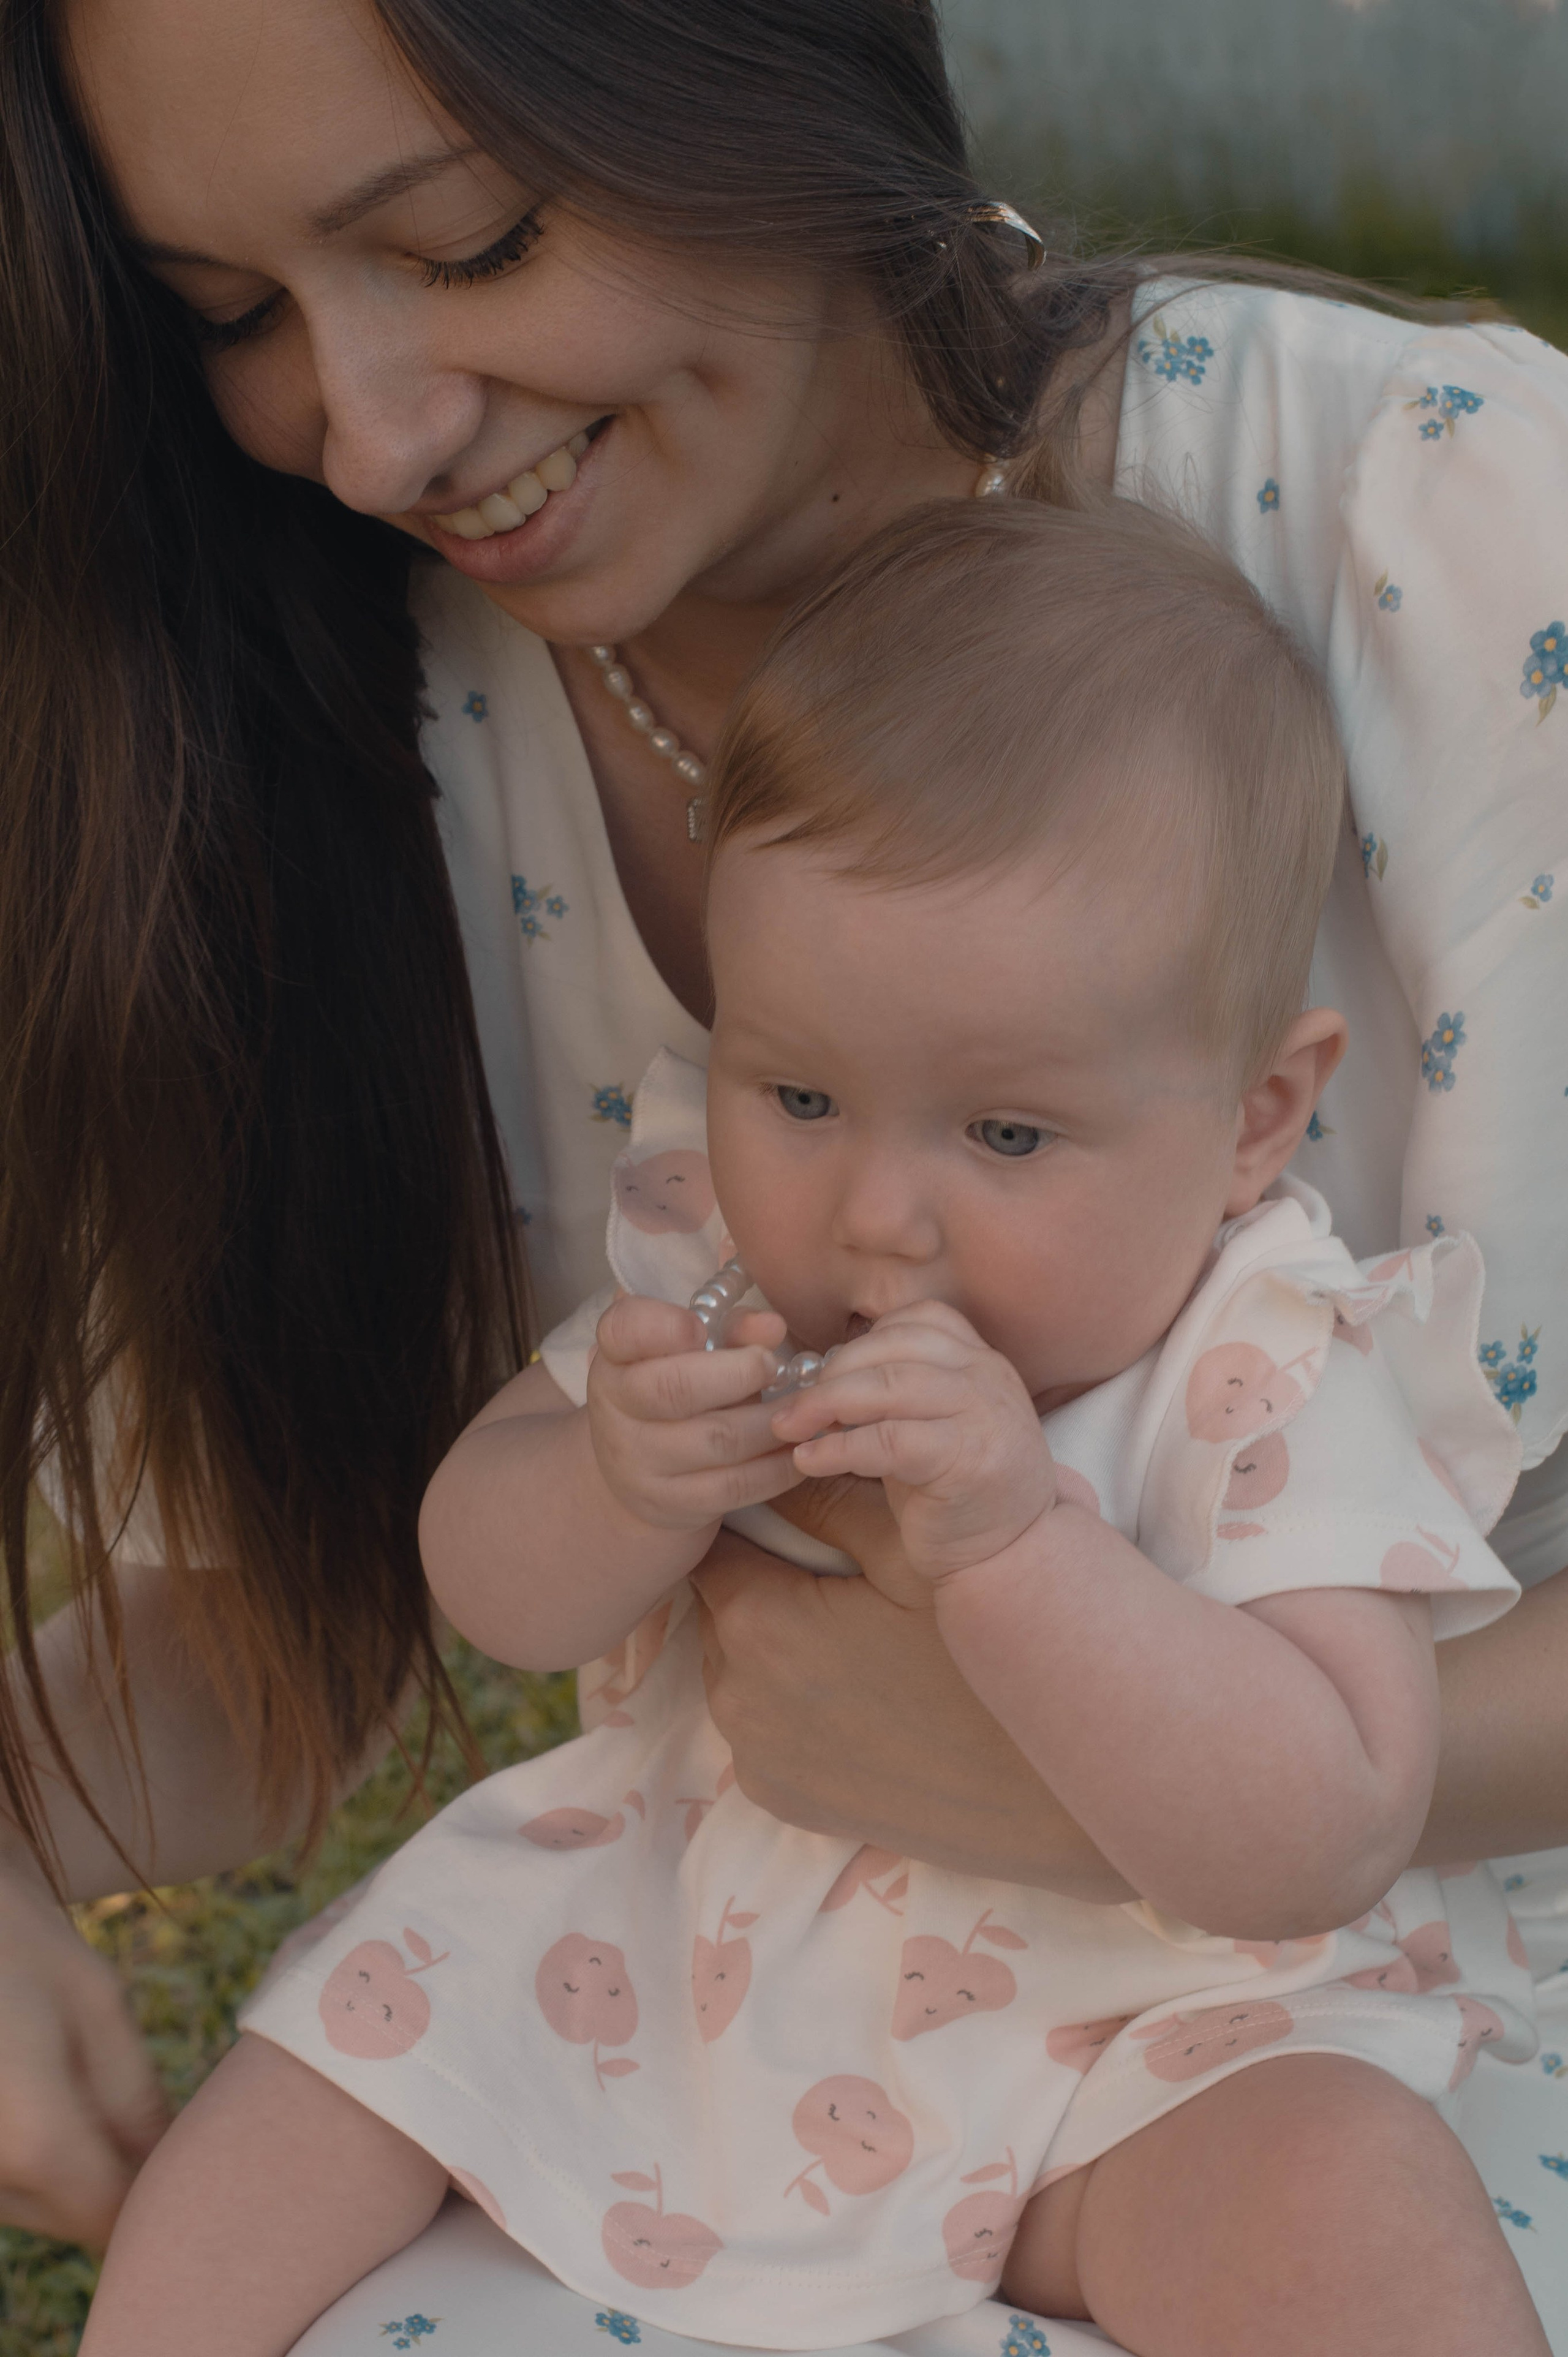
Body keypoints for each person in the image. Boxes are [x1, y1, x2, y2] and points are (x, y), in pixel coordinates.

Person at [1, 0, 1565, 2270]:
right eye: (231, 317)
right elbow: (311, 1595)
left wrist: (1098, 1763)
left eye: (467, 241)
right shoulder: (327, 730)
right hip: (751, 2021)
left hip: (1357, 2022)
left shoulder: (1460, 540)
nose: (368, 432)